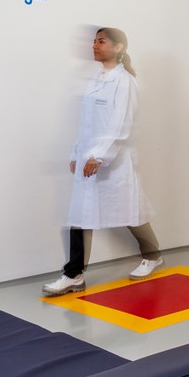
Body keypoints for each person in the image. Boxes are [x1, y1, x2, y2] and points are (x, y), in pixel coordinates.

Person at [43, 27, 161, 295]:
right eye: (94, 41)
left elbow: (122, 124)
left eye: (102, 41)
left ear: (119, 47)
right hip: (88, 158)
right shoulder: (95, 80)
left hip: (113, 160)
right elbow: (86, 124)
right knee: (79, 215)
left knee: (130, 211)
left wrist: (100, 156)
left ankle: (153, 255)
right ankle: (74, 274)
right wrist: (77, 153)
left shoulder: (124, 81)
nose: (94, 45)